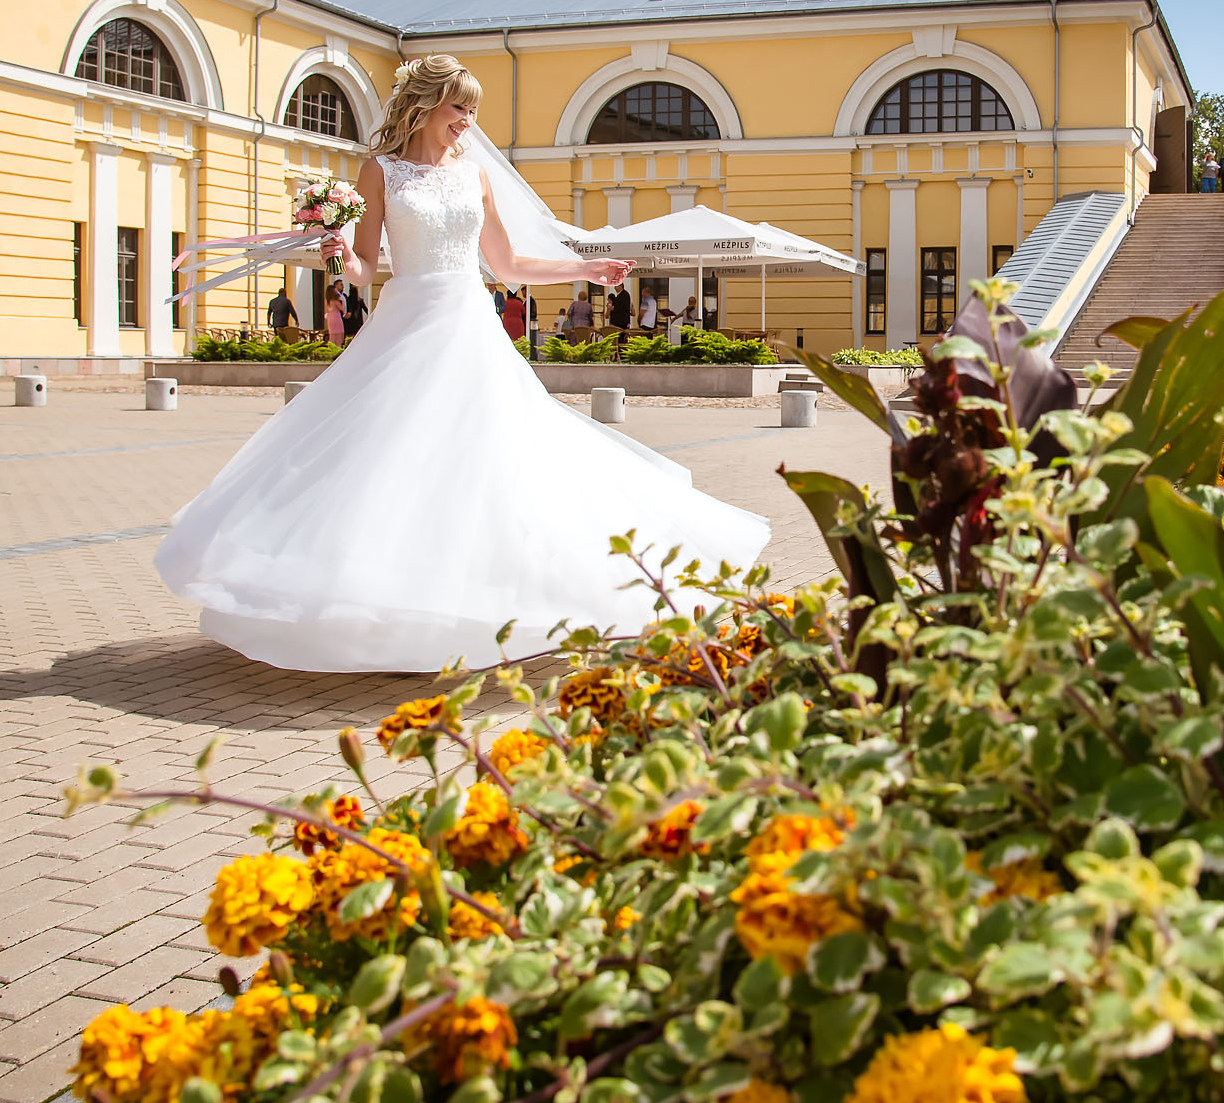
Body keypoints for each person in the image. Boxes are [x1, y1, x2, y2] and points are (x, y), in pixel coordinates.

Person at [155, 54, 768, 672]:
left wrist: (590, 267)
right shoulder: (380, 173)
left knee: (492, 461)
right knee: (388, 464)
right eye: (459, 109)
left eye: (473, 111)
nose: (468, 123)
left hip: (468, 327)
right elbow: (367, 270)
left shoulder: (475, 175)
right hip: (405, 326)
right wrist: (337, 252)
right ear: (423, 106)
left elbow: (507, 266)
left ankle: (490, 600)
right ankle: (389, 610)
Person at [323, 279, 350, 347]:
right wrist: (342, 301)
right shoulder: (335, 301)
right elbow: (342, 309)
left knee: (332, 336)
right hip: (336, 318)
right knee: (339, 336)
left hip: (330, 318)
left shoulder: (328, 301)